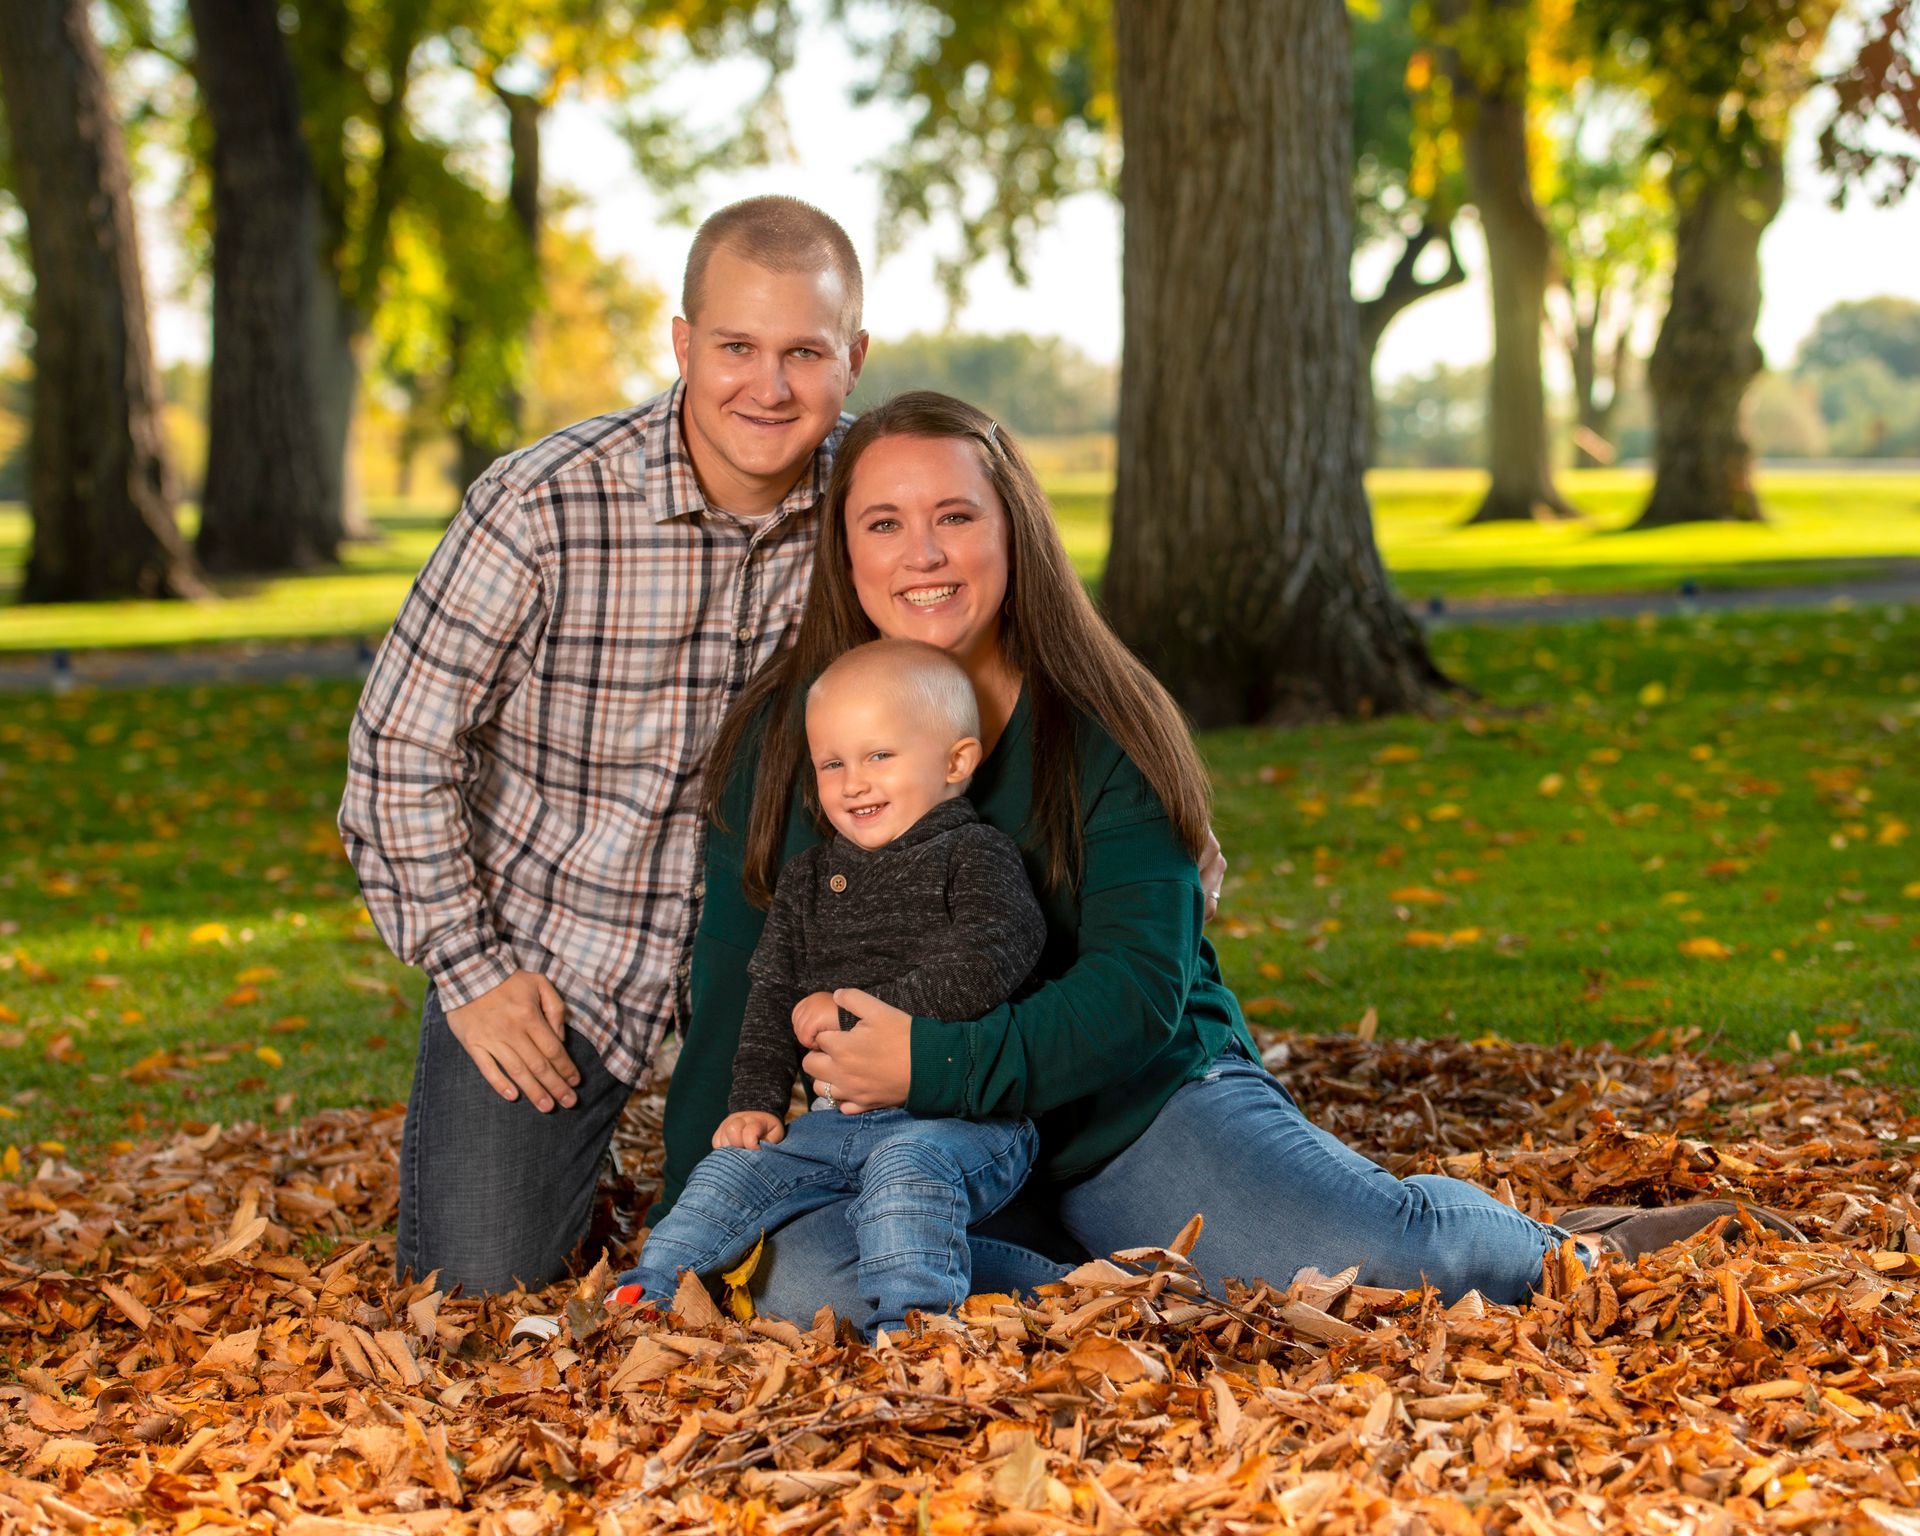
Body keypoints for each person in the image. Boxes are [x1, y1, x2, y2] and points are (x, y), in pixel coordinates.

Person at [660, 391, 1802, 1334]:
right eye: (884, 524)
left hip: (1135, 1112)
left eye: (955, 516)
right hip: (906, 1147)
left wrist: (933, 1063)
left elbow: (1136, 996)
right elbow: (736, 986)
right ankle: (1116, 1291)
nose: (923, 555)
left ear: (1012, 531)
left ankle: (1559, 1245)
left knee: (1371, 1266)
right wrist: (698, 1197)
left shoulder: (1099, 723)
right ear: (840, 547)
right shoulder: (794, 740)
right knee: (806, 1293)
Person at [337, 195, 872, 1294]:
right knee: (477, 1292)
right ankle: (565, 1183)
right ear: (682, 344)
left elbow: (1017, 655)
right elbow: (398, 751)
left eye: (803, 354)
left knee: (786, 1290)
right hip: (555, 962)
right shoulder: (543, 504)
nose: (767, 388)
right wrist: (472, 971)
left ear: (852, 359)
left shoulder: (878, 504)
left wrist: (1153, 837)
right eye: (735, 348)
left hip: (776, 980)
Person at [606, 639, 1047, 1335]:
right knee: (730, 1172)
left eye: (879, 756)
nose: (852, 782)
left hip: (958, 1120)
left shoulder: (976, 854)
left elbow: (996, 953)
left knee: (906, 1172)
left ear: (956, 762)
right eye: (831, 764)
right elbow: (771, 995)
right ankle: (646, 1292)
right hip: (832, 1126)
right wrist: (754, 1102)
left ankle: (916, 1332)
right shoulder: (807, 878)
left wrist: (853, 1015)